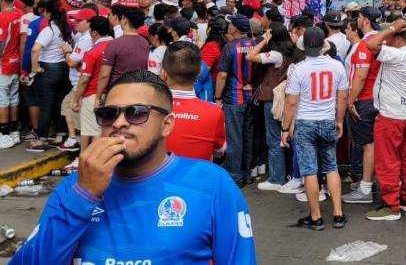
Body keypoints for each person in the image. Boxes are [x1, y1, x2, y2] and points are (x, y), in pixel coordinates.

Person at [10, 70, 256, 264]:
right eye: (108, 114)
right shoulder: (73, 188)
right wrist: (83, 197)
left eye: (136, 113)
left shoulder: (213, 184)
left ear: (167, 124)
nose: (119, 123)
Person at [281, 27, 348, 231]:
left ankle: (316, 217)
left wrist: (285, 128)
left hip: (305, 123)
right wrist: (339, 120)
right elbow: (342, 97)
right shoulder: (337, 66)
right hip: (328, 120)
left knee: (309, 170)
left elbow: (291, 102)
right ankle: (338, 214)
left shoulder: (299, 69)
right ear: (322, 45)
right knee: (331, 167)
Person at [362, 18, 406, 221]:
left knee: (387, 160)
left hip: (392, 114)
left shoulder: (397, 54)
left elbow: (371, 44)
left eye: (389, 38)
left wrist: (390, 28)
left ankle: (391, 205)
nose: (385, 41)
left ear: (397, 38)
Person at [343, 6, 382, 205]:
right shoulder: (380, 41)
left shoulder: (366, 45)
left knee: (368, 144)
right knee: (370, 143)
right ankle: (367, 184)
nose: (356, 20)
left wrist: (350, 101)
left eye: (358, 17)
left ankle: (366, 187)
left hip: (365, 99)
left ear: (365, 20)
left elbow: (360, 76)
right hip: (375, 98)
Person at [161, 42, 226, 161]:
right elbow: (220, 149)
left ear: (163, 73)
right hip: (198, 177)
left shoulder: (148, 109)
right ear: (200, 72)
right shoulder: (214, 112)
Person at [247, 23, 293, 191]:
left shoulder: (275, 54)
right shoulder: (291, 50)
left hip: (272, 99)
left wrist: (264, 40)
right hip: (286, 98)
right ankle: (286, 174)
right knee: (284, 137)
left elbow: (250, 56)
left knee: (274, 139)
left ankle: (276, 178)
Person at [215, 14, 257, 187]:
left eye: (231, 24)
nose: (229, 26)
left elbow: (223, 74)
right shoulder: (256, 44)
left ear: (236, 28)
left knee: (234, 138)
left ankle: (234, 176)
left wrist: (218, 97)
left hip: (233, 97)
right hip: (251, 96)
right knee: (248, 137)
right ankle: (246, 173)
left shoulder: (229, 47)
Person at [27, 0, 73, 152]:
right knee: (59, 104)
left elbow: (35, 49)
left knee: (46, 106)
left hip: (48, 70)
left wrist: (35, 68)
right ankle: (60, 135)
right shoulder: (65, 29)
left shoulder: (49, 29)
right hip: (63, 69)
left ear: (48, 13)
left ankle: (41, 140)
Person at [71, 16, 112, 152]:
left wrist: (76, 99)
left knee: (91, 131)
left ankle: (84, 160)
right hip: (111, 94)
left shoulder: (92, 52)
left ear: (94, 32)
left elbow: (83, 80)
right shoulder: (115, 45)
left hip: (92, 95)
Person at [59, 8, 97, 152]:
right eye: (75, 19)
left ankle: (78, 146)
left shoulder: (86, 40)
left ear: (89, 23)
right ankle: (73, 139)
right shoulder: (83, 36)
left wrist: (67, 51)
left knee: (78, 115)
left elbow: (72, 63)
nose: (75, 23)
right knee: (68, 108)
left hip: (81, 83)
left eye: (80, 20)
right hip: (78, 81)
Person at [96, 7, 150, 102]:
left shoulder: (114, 44)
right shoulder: (145, 43)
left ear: (125, 20)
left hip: (118, 92)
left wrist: (97, 97)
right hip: (138, 92)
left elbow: (104, 74)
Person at [0, 0, 23, 148]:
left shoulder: (2, 17)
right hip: (16, 62)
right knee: (14, 98)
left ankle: (4, 134)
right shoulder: (19, 13)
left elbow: (0, 43)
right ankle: (14, 133)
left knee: (2, 100)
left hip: (4, 63)